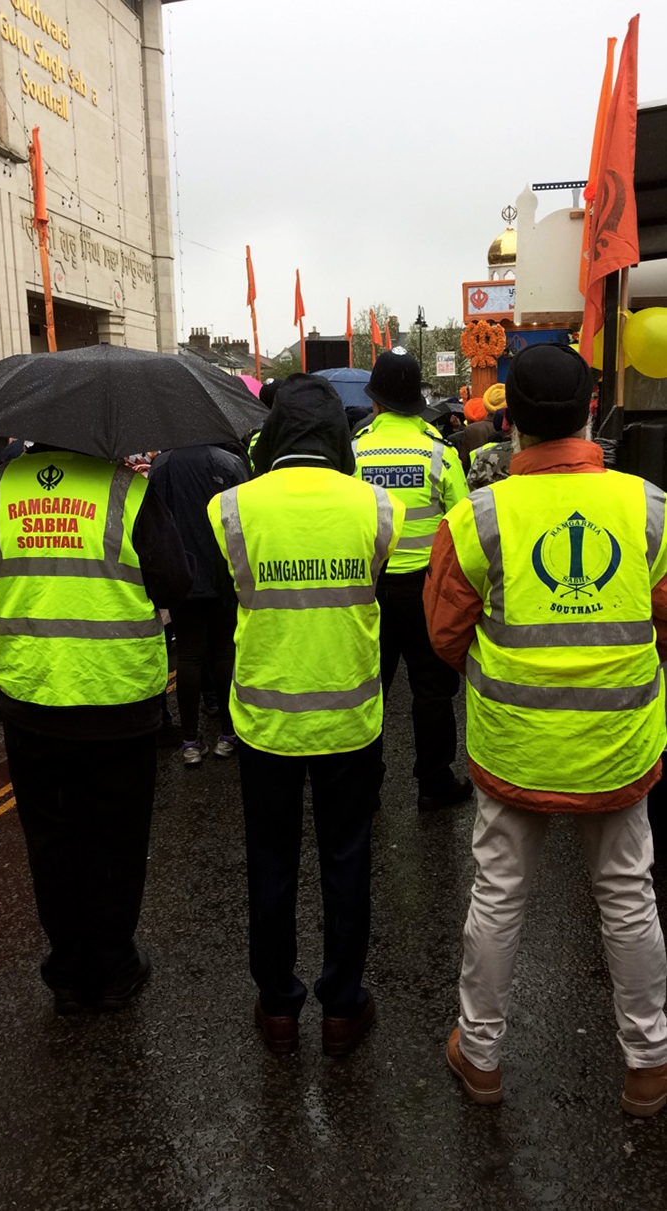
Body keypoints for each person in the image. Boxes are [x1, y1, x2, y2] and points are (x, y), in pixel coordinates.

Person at [423, 344, 667, 1116]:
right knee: (628, 895)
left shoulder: (479, 516)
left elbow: (444, 633)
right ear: (592, 408)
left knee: (498, 895)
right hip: (618, 748)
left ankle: (482, 1055)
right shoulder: (649, 508)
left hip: (515, 746)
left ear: (512, 420)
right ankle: (648, 1066)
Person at [209, 375, 404, 1056]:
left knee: (271, 862)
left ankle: (279, 1006)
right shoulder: (377, 507)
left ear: (273, 436)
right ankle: (344, 1007)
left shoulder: (232, 508)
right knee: (347, 861)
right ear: (337, 438)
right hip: (350, 717)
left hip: (265, 720)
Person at [0, 446, 192, 1013]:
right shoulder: (126, 491)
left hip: (30, 693)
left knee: (50, 838)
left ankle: (69, 971)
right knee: (115, 837)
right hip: (115, 695)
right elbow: (174, 583)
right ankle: (113, 965)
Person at [352, 350, 471, 811]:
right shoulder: (438, 451)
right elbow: (462, 524)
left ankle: (366, 786)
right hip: (426, 592)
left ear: (375, 401)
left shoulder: (355, 450)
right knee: (433, 691)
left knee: (369, 689)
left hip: (371, 591)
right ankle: (434, 783)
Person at [149, 443, 249, 763]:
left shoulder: (161, 467)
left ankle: (190, 742)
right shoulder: (230, 463)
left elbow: (154, 524)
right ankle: (229, 735)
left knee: (189, 656)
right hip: (223, 574)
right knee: (224, 652)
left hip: (181, 574)